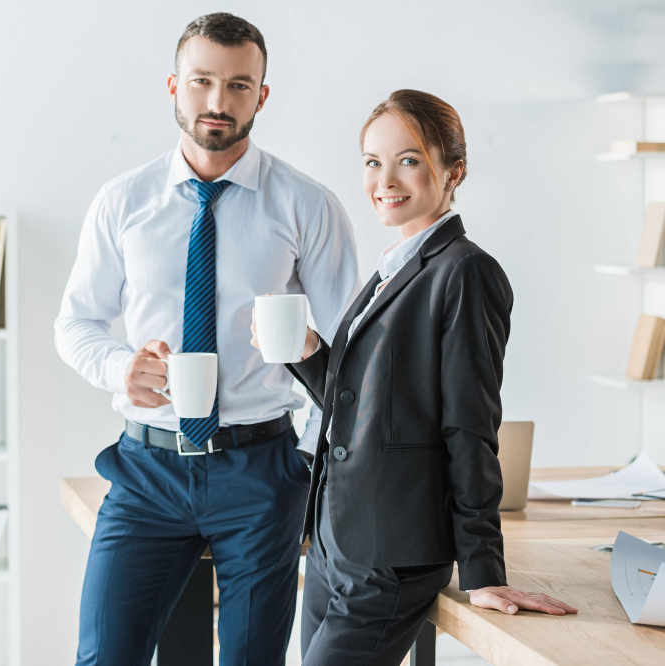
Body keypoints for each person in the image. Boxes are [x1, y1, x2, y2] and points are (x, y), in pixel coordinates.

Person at [54, 12, 359, 665]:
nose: (218, 103)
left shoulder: (307, 205)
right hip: (147, 470)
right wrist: (118, 368)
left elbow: (351, 361)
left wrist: (305, 460)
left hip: (262, 471)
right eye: (201, 82)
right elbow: (75, 323)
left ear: (262, 95)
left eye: (239, 86)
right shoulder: (123, 200)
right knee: (105, 656)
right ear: (173, 86)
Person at [251, 89, 578, 665]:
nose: (385, 179)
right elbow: (367, 408)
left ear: (453, 170)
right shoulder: (391, 269)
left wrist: (482, 568)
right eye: (373, 162)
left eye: (408, 160)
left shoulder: (465, 272)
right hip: (335, 538)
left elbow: (469, 425)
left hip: (390, 549)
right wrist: (306, 352)